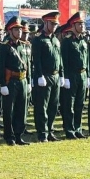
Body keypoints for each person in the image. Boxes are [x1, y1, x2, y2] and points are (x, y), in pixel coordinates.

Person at [0, 16, 33, 145]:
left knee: (21, 109)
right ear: (10, 31)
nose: (19, 32)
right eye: (16, 30)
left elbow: (28, 64)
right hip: (10, 81)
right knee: (9, 110)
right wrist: (2, 84)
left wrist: (29, 81)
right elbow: (0, 66)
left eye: (20, 30)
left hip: (22, 80)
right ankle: (9, 136)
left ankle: (18, 135)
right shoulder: (4, 47)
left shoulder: (24, 46)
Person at [30, 11, 62, 141]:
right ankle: (42, 132)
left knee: (53, 105)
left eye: (56, 24)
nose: (55, 26)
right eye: (52, 24)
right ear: (46, 23)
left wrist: (62, 75)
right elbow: (36, 60)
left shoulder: (55, 39)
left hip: (55, 75)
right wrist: (39, 75)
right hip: (45, 76)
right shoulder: (38, 39)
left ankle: (50, 130)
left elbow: (60, 58)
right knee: (42, 106)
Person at [59, 12, 89, 140]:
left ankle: (78, 128)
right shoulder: (67, 42)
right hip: (71, 75)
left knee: (79, 104)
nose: (82, 26)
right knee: (69, 105)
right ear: (73, 26)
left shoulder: (83, 41)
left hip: (82, 74)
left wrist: (88, 76)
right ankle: (69, 129)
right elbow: (63, 60)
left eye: (83, 24)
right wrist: (64, 77)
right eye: (79, 24)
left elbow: (87, 59)